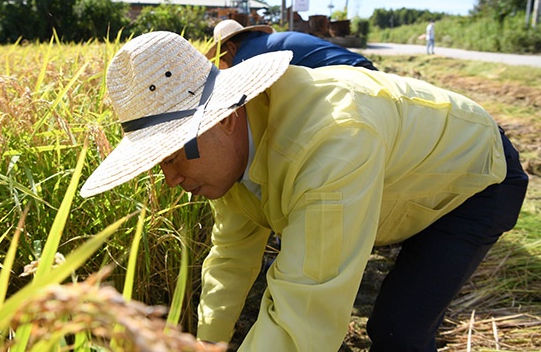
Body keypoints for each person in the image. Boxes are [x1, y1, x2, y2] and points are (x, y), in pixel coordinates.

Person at [80, 31, 528, 351]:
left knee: (398, 329)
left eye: (175, 156)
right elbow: (230, 257)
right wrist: (205, 344)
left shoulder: (331, 143)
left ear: (223, 118)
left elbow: (303, 317)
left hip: (473, 178)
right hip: (397, 178)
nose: (172, 180)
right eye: (160, 165)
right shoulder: (231, 161)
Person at [206, 19, 378, 70]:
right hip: (361, 65)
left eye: (223, 59)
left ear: (231, 48)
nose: (225, 66)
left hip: (353, 75)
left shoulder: (245, 57)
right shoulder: (265, 43)